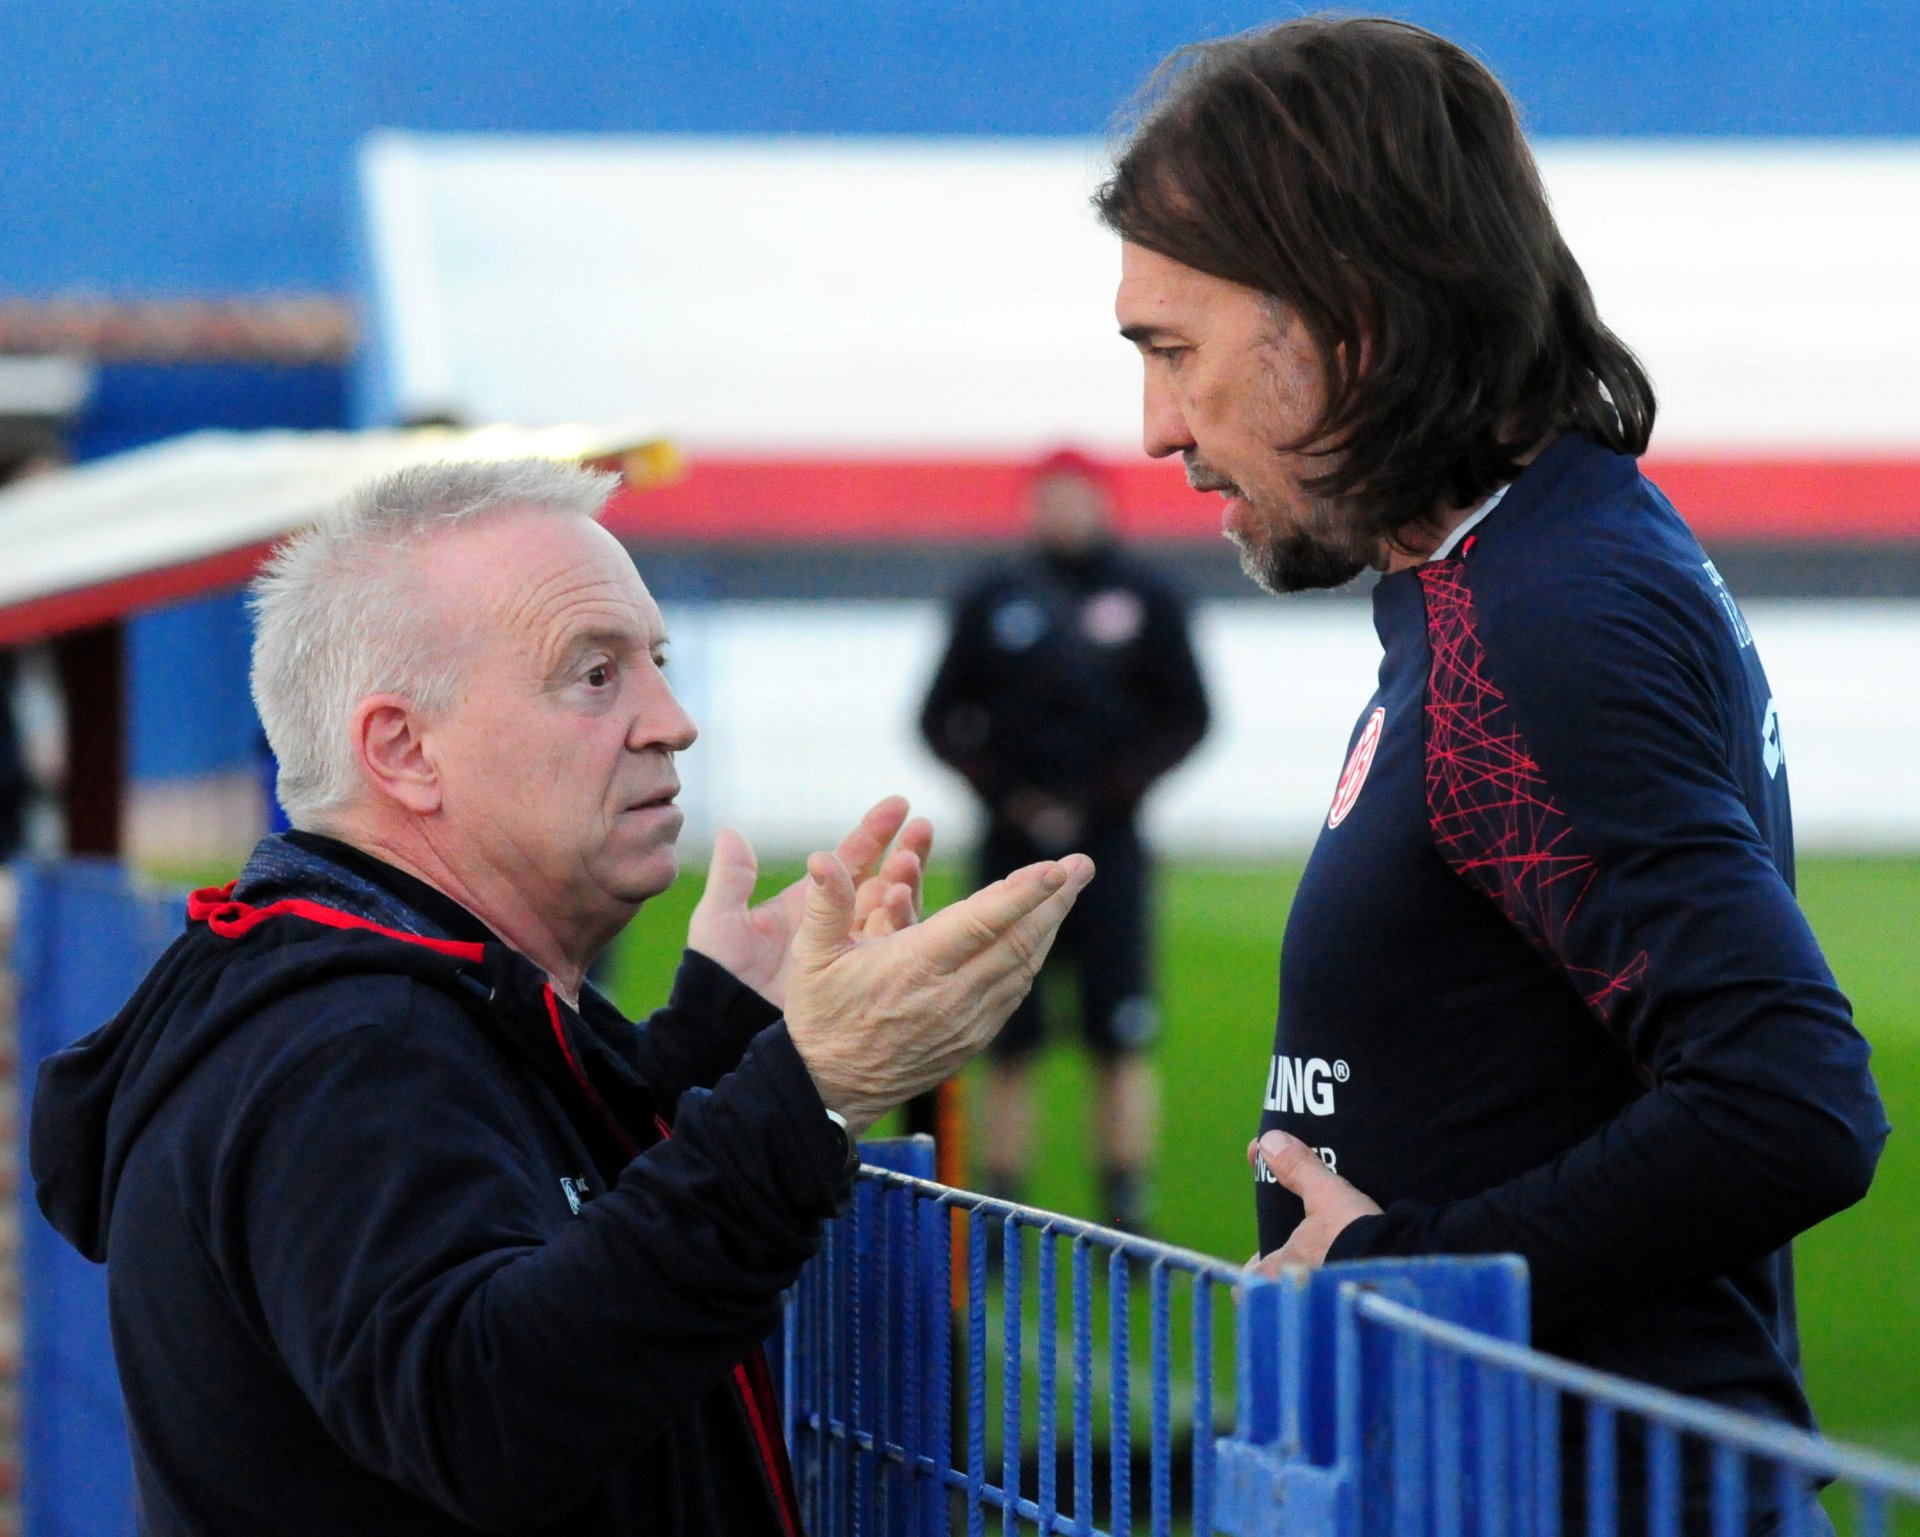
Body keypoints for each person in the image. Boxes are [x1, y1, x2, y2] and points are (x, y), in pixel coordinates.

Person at [1098, 15, 1886, 1529]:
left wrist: (1399, 1276)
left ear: (1355, 319)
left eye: (1176, 353)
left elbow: (1789, 1099)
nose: (1156, 431)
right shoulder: (1508, 571)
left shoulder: (1546, 612)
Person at [28, 457, 1093, 1537]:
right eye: (595, 675)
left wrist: (719, 1042)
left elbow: (535, 1235)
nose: (670, 719)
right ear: (404, 751)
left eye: (656, 663)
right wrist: (808, 1094)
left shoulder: (394, 1002)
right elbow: (486, 1411)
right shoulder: (347, 1045)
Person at [918, 448, 1208, 1231]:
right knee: (1004, 1037)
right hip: (1008, 853)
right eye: (1050, 498)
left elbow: (1189, 716)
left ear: (1104, 502)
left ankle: (1127, 1211)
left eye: (1077, 498)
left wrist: (1112, 794)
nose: (1064, 512)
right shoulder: (991, 597)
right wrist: (1009, 797)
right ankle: (999, 1210)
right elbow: (938, 717)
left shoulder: (1149, 594)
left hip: (1111, 854)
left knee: (1121, 1035)